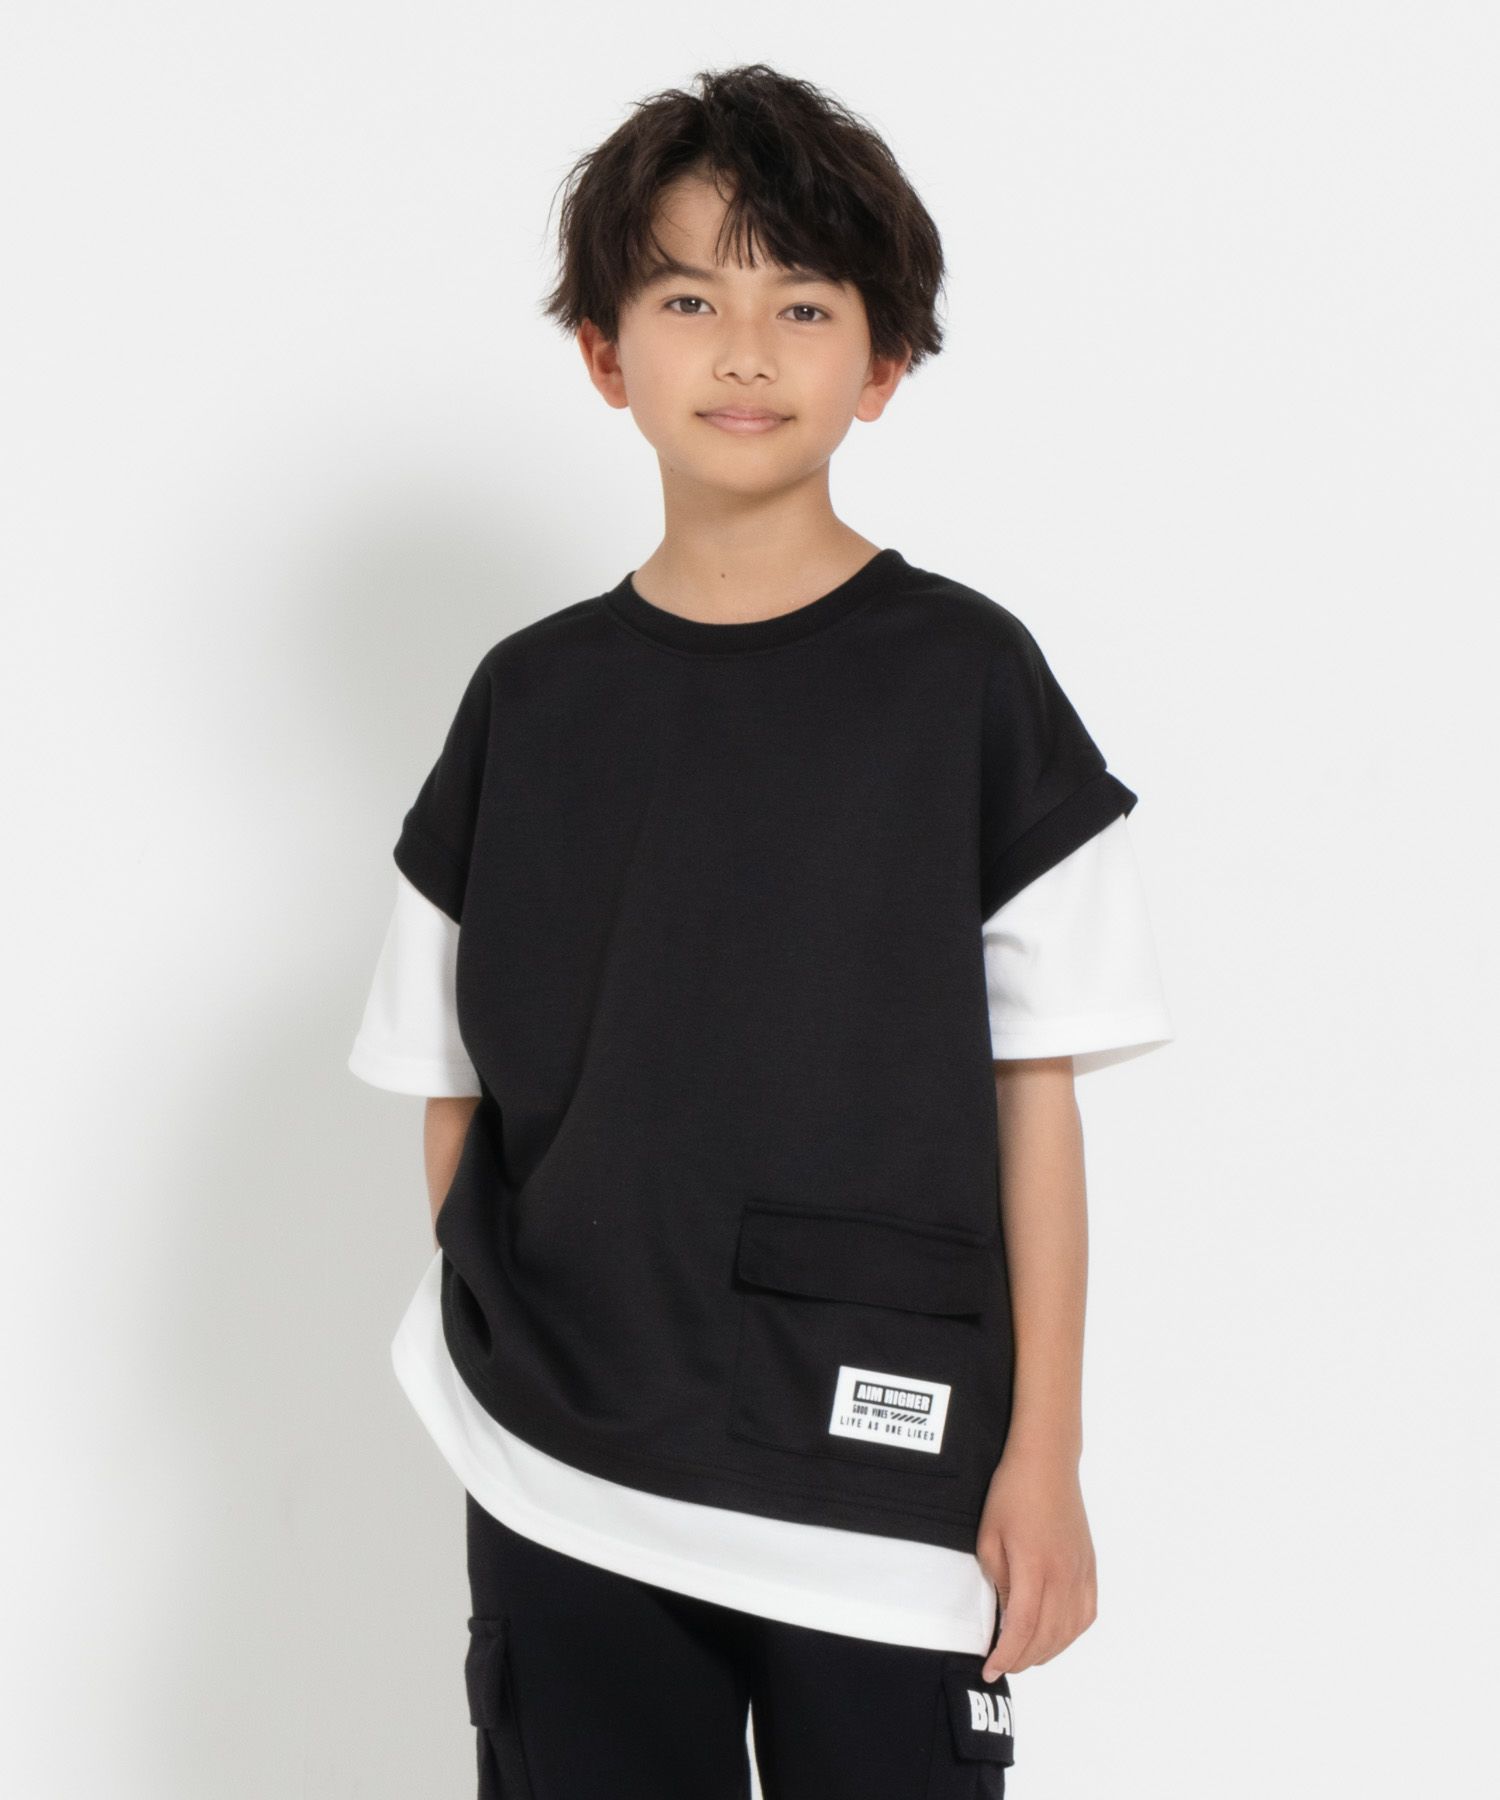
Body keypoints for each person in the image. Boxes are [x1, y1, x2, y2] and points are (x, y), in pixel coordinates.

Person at [349, 61, 1174, 1800]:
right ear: (604, 354)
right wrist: (530, 1366)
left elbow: (1034, 1096)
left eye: (801, 303)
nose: (743, 351)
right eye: (686, 300)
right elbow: (451, 1084)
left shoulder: (969, 687)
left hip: (884, 1482)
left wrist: (1045, 1455)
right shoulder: (528, 706)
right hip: (565, 1475)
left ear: (882, 364)